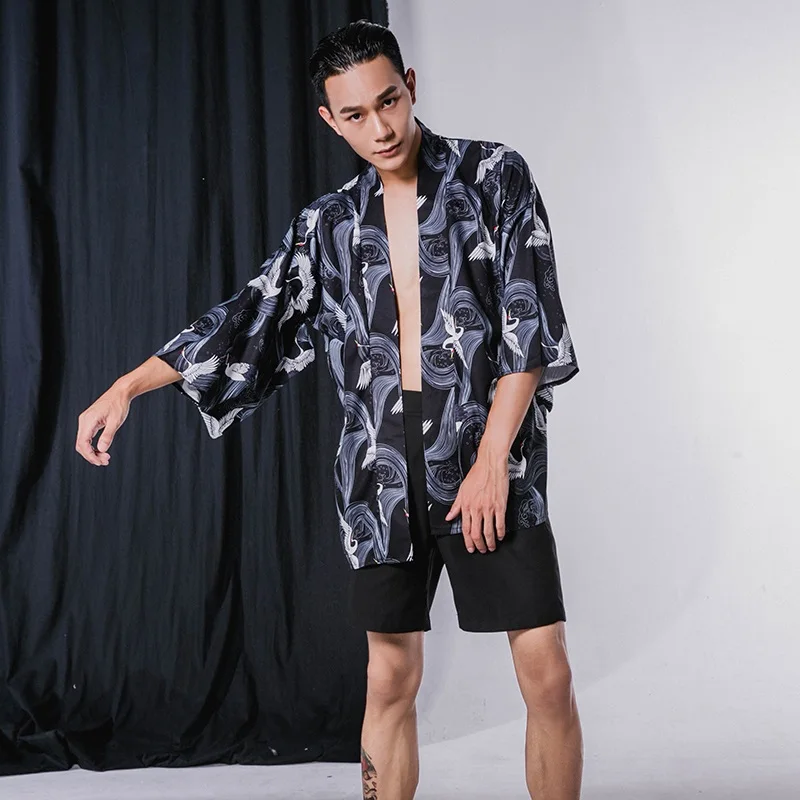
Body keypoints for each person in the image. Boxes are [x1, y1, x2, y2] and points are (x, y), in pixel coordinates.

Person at [76, 19, 583, 800]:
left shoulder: (493, 177)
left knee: (545, 669)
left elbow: (528, 323)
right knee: (390, 677)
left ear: (410, 86)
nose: (380, 128)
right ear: (330, 120)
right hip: (380, 476)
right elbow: (250, 317)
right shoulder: (329, 225)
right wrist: (126, 386)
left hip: (486, 456)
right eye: (355, 114)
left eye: (389, 102)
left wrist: (491, 462)